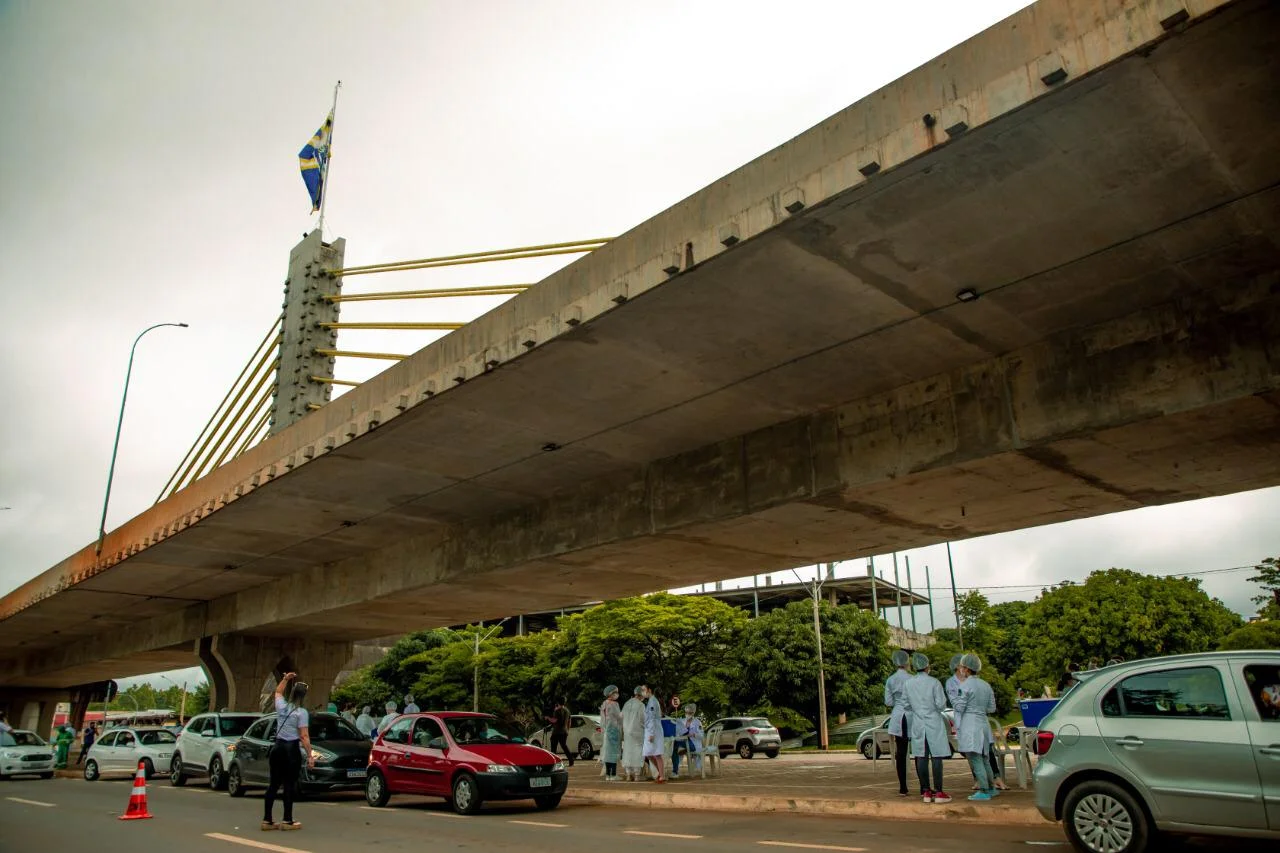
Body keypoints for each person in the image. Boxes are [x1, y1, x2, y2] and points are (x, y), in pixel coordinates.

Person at [263, 672, 313, 831]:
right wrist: (310, 755)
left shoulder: (281, 706)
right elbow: (304, 736)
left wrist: (285, 679)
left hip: (277, 748)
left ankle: (267, 820)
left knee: (273, 784)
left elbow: (277, 692)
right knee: (289, 784)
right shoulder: (302, 712)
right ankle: (287, 820)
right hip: (291, 749)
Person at [901, 653, 952, 804]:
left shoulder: (909, 683)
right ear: (927, 666)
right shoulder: (934, 682)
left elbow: (905, 703)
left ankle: (926, 790)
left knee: (921, 756)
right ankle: (939, 791)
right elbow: (941, 704)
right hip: (933, 721)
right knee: (936, 756)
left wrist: (917, 709)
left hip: (918, 722)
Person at [955, 653, 998, 802]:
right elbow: (992, 708)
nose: (960, 669)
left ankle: (984, 789)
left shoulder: (965, 686)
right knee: (985, 757)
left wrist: (955, 702)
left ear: (966, 669)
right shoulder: (986, 685)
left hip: (970, 724)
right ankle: (992, 788)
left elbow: (960, 707)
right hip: (984, 723)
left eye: (962, 667)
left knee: (975, 757)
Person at [884, 649, 912, 797]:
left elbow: (888, 702)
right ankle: (924, 787)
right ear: (907, 662)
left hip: (898, 716)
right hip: (912, 716)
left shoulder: (890, 680)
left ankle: (903, 787)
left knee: (901, 753)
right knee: (919, 752)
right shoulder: (912, 679)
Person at [621, 686, 646, 781]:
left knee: (627, 751)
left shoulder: (627, 703)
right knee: (638, 752)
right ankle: (637, 775)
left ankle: (628, 774)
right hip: (638, 731)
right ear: (642, 694)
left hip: (627, 732)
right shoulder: (641, 705)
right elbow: (643, 719)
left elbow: (621, 716)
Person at [641, 684, 665, 783]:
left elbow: (652, 719)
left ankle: (662, 775)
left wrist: (651, 733)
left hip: (654, 731)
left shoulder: (652, 702)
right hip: (650, 730)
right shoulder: (651, 701)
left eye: (644, 690)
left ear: (649, 690)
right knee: (649, 754)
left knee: (657, 753)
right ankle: (660, 772)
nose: (643, 692)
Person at [599, 685, 623, 781]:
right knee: (614, 753)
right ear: (611, 693)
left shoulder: (604, 704)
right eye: (615, 692)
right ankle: (613, 775)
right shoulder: (614, 704)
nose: (617, 694)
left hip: (606, 731)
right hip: (614, 730)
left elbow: (602, 720)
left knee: (607, 754)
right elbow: (619, 717)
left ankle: (608, 775)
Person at [673, 702, 703, 778]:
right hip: (684, 742)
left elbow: (702, 736)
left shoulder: (697, 722)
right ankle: (675, 771)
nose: (687, 714)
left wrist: (693, 734)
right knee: (675, 744)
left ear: (693, 713)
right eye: (686, 712)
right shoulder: (682, 721)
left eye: (689, 713)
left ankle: (675, 771)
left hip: (694, 745)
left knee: (676, 745)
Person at [547, 698, 574, 767]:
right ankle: (571, 760)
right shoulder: (567, 711)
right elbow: (569, 721)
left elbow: (554, 720)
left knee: (553, 747)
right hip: (564, 731)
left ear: (558, 703)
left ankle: (553, 762)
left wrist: (548, 718)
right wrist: (567, 729)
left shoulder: (557, 711)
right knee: (564, 746)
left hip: (557, 732)